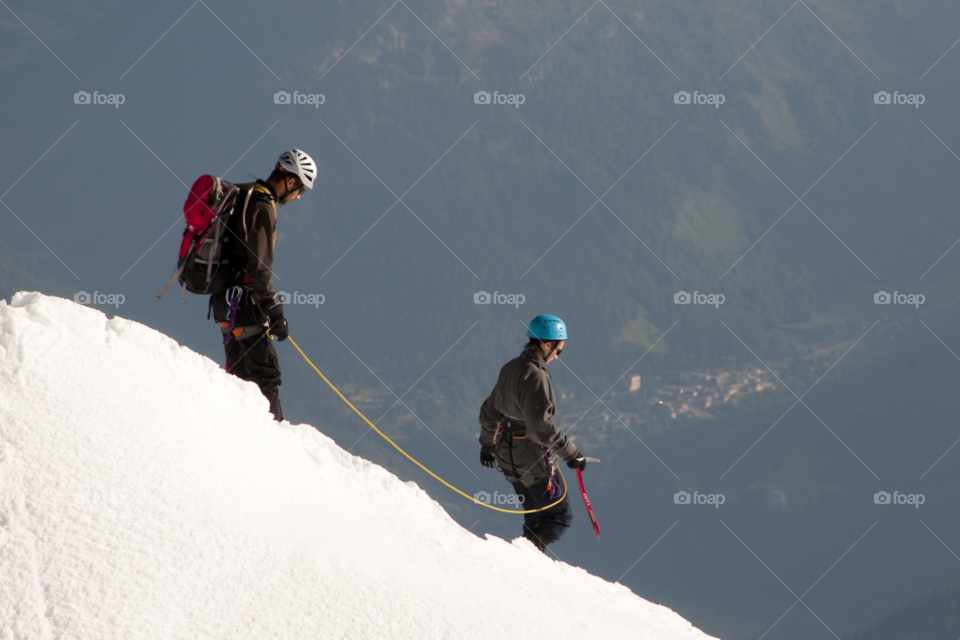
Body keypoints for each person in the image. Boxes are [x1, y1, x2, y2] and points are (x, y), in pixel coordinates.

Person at [209, 149, 317, 421]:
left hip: (224, 302)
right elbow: (259, 266)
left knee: (239, 376)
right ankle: (277, 445)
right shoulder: (263, 205)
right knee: (266, 376)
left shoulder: (245, 194)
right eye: (300, 189)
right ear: (291, 181)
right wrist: (274, 309)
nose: (298, 197)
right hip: (245, 305)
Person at [478, 314, 587, 552]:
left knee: (536, 515)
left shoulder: (510, 367)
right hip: (533, 461)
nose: (558, 355)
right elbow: (540, 427)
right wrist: (572, 453)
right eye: (559, 349)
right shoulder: (536, 375)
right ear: (547, 344)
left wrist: (487, 445)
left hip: (508, 457)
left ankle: (526, 559)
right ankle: (526, 558)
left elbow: (490, 411)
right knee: (559, 517)